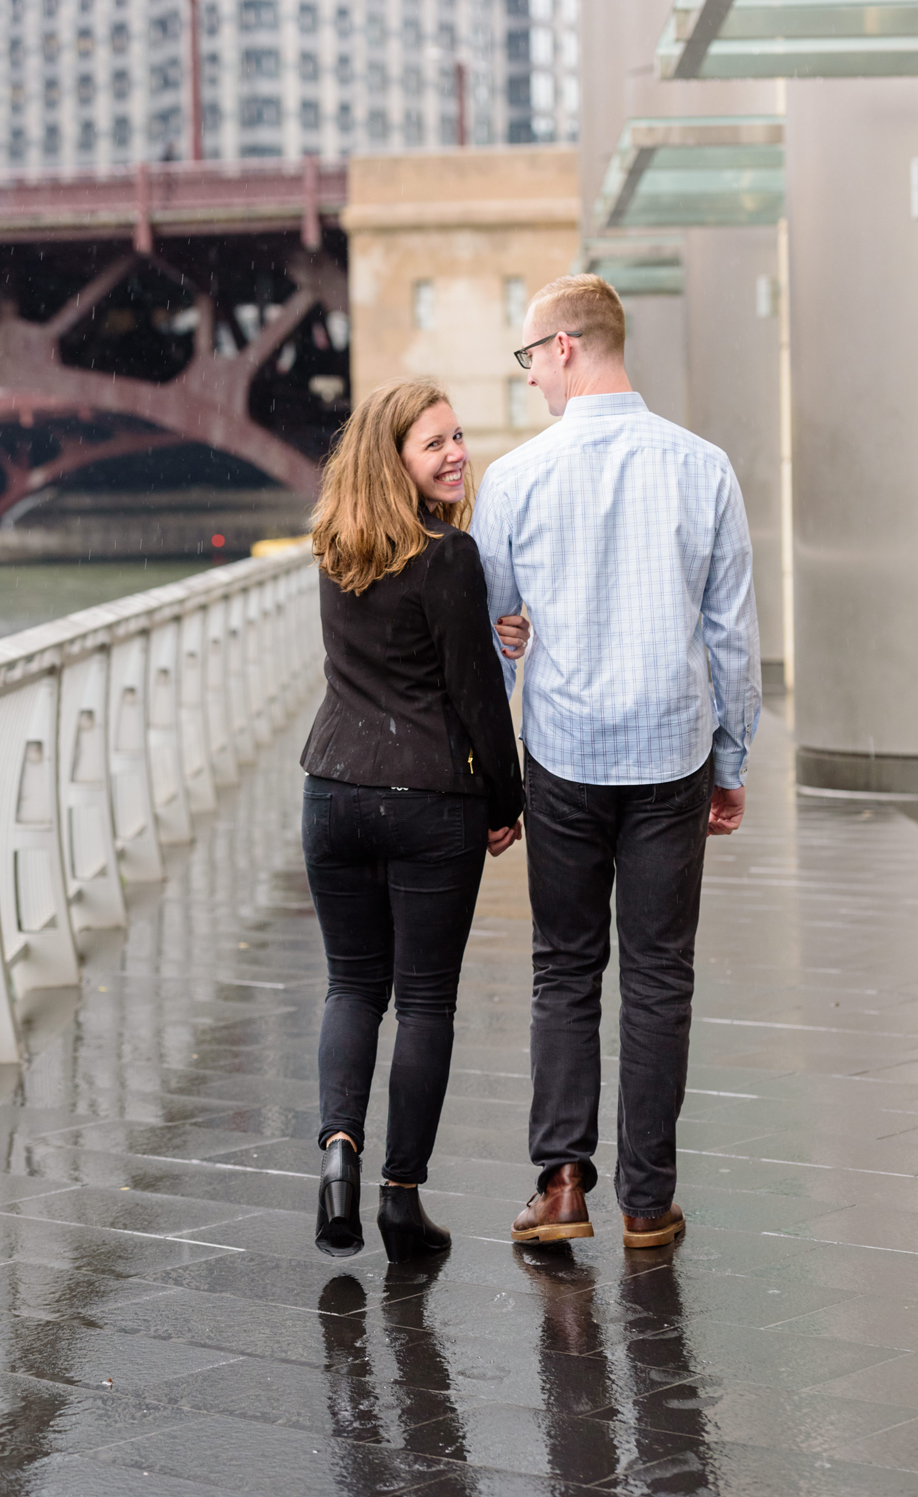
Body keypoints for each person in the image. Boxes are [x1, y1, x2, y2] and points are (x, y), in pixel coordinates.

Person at [471, 274, 760, 1250]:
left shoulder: (512, 481)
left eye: (527, 361)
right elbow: (731, 637)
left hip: (562, 755)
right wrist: (732, 759)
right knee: (658, 976)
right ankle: (646, 1200)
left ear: (561, 348)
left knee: (564, 969)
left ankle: (560, 1185)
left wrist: (490, 777)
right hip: (672, 755)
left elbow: (484, 642)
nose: (530, 383)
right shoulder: (703, 468)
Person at [303, 378, 528, 1262]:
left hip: (333, 790)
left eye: (458, 437)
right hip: (430, 796)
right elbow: (474, 695)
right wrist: (505, 804)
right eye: (434, 442)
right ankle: (400, 1200)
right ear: (393, 457)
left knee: (352, 985)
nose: (456, 453)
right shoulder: (448, 555)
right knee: (425, 999)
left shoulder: (334, 547)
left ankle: (336, 1154)